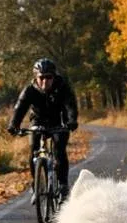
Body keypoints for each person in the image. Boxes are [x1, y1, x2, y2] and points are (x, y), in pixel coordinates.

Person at [7, 58, 79, 199]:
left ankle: (63, 184)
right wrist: (13, 125)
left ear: (54, 76)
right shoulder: (29, 90)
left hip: (59, 121)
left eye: (48, 77)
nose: (45, 81)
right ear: (36, 77)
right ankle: (36, 183)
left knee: (59, 149)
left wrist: (72, 121)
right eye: (41, 78)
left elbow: (70, 106)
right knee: (34, 149)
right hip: (38, 120)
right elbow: (19, 108)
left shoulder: (62, 87)